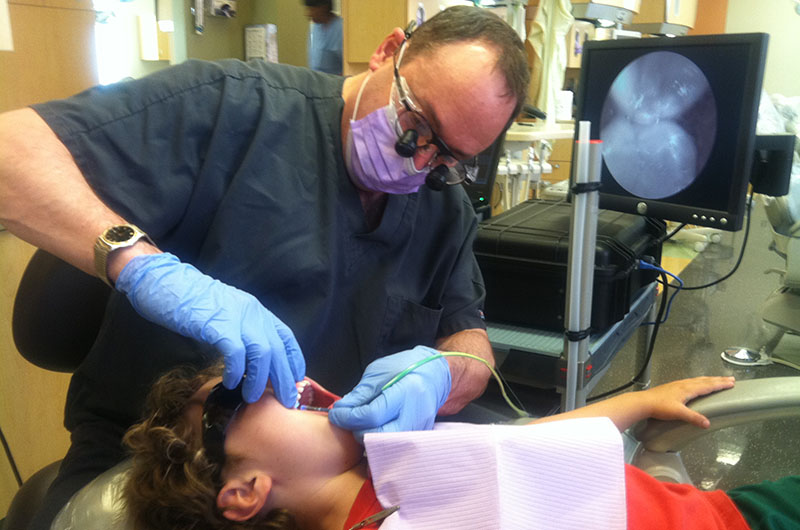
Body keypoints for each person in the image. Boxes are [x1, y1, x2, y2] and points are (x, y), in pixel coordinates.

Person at [0, 6, 529, 528]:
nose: (418, 162)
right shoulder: (233, 107)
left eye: (446, 157)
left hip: (323, 479)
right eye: (416, 124)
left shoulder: (444, 208)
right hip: (155, 469)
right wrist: (144, 267)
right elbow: (10, 152)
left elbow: (470, 342)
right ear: (388, 52)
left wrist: (440, 374)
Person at [119, 366, 800, 529]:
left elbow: (515, 448)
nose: (286, 378)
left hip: (713, 509)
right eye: (240, 392)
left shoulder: (384, 464)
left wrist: (637, 403)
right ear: (244, 490)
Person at [304, 0, 343, 75]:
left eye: (312, 9)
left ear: (323, 7)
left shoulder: (340, 29)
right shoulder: (315, 27)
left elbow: (347, 69)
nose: (308, 14)